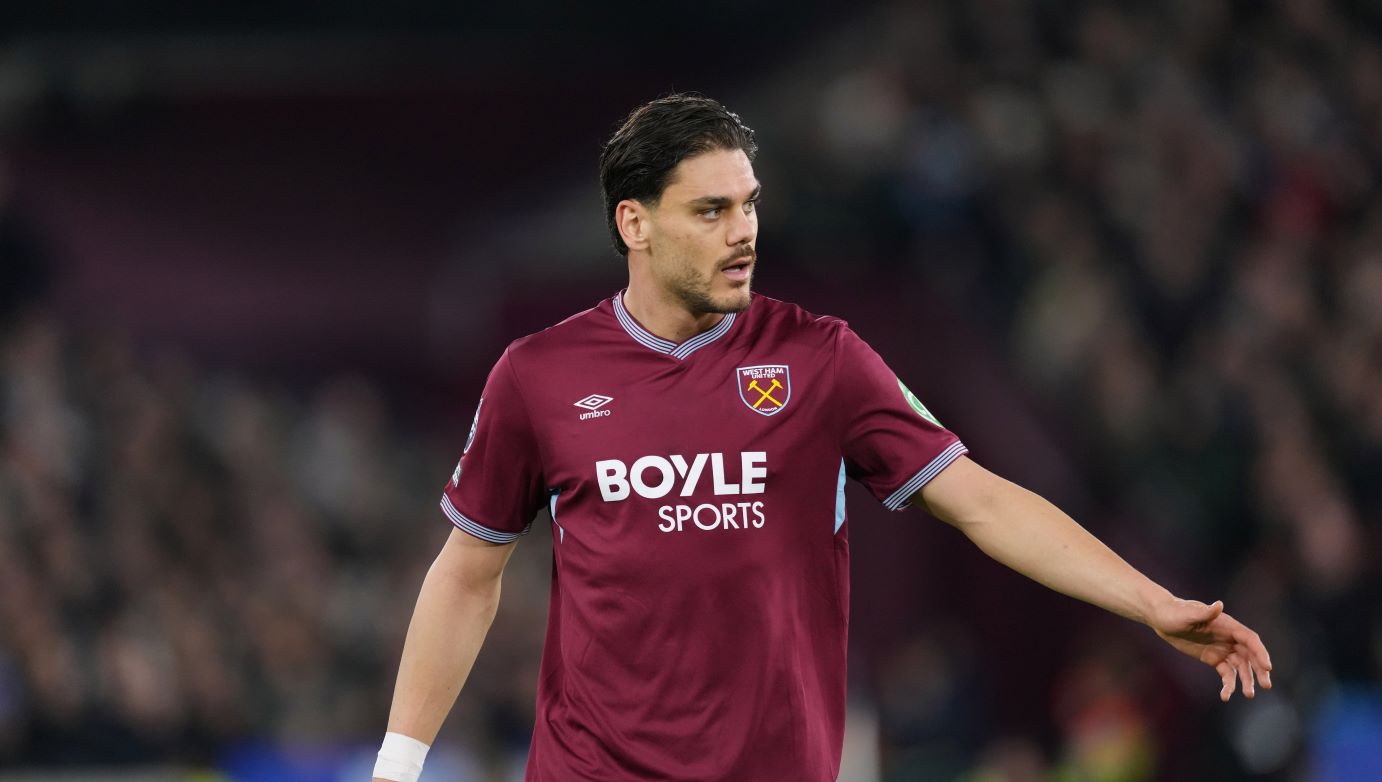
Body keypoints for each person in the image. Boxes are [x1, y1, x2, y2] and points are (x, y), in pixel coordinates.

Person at [372, 94, 1273, 782]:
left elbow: (983, 503)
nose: (744, 233)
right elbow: (467, 571)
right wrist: (398, 766)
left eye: (749, 205)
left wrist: (1150, 602)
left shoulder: (821, 359)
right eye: (711, 211)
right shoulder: (539, 375)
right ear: (633, 223)